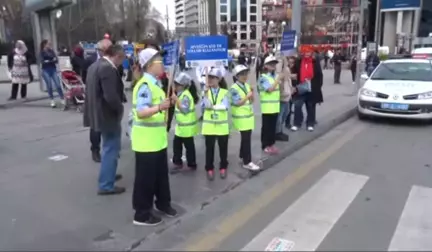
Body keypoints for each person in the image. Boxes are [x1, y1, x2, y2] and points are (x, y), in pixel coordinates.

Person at [131, 48, 177, 226]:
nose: (163, 64)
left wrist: (169, 103)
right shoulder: (144, 85)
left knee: (160, 177)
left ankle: (163, 204)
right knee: (145, 180)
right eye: (159, 61)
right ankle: (141, 214)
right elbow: (141, 112)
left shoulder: (156, 84)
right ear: (150, 65)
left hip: (157, 140)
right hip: (146, 142)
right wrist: (160, 107)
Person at [84, 44, 126, 195]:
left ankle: (108, 175)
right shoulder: (108, 69)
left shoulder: (94, 66)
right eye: (121, 59)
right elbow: (110, 95)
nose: (121, 63)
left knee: (108, 147)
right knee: (111, 148)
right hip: (107, 115)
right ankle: (106, 184)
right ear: (116, 56)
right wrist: (119, 108)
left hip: (98, 114)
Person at [86, 39, 113, 163]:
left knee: (107, 126)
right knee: (95, 126)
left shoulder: (110, 61)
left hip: (106, 98)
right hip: (95, 97)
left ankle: (109, 150)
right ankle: (95, 149)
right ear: (101, 50)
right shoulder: (92, 60)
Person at [201, 67, 230, 181]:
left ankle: (223, 166)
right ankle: (209, 168)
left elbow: (225, 107)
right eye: (209, 77)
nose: (210, 80)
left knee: (223, 149)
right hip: (209, 127)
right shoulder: (205, 92)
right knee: (209, 149)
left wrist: (212, 106)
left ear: (219, 79)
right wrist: (205, 93)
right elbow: (205, 106)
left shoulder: (224, 92)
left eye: (213, 78)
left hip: (222, 126)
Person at [230, 65, 260, 171]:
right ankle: (247, 162)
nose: (244, 76)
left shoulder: (247, 85)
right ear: (236, 76)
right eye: (242, 74)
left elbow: (251, 101)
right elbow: (237, 103)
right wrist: (247, 96)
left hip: (248, 117)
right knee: (246, 139)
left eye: (245, 73)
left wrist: (252, 94)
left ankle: (242, 155)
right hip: (241, 118)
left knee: (246, 138)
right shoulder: (234, 88)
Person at [171, 72, 199, 172]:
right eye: (175, 84)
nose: (176, 86)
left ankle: (192, 164)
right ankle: (177, 162)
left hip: (187, 127)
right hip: (180, 127)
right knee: (176, 144)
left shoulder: (186, 95)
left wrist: (176, 100)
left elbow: (185, 109)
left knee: (189, 146)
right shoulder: (181, 94)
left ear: (184, 86)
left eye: (178, 84)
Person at [290, 49, 323, 132]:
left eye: (309, 52)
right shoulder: (298, 62)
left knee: (310, 107)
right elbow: (294, 73)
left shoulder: (315, 62)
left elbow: (319, 75)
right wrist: (294, 86)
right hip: (301, 88)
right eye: (305, 52)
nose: (307, 54)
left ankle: (310, 123)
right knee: (297, 106)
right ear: (303, 53)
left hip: (311, 88)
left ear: (311, 53)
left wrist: (318, 88)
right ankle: (297, 123)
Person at [258, 55, 281, 155]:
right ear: (266, 66)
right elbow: (269, 89)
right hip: (267, 107)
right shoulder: (263, 78)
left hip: (275, 107)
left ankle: (271, 144)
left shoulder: (275, 76)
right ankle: (265, 145)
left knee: (272, 127)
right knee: (266, 128)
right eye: (271, 64)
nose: (273, 66)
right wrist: (278, 80)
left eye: (274, 64)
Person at [40, 39, 65, 108]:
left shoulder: (51, 51)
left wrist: (49, 60)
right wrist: (51, 60)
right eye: (48, 44)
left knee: (58, 85)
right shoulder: (42, 52)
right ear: (44, 44)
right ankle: (52, 100)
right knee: (49, 85)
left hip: (53, 69)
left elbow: (56, 60)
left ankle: (62, 99)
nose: (49, 45)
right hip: (45, 70)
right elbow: (42, 61)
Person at [275, 57, 293, 142]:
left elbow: (288, 80)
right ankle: (277, 132)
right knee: (280, 115)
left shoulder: (287, 69)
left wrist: (291, 88)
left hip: (287, 95)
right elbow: (279, 80)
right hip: (281, 96)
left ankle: (280, 129)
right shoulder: (278, 70)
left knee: (286, 112)